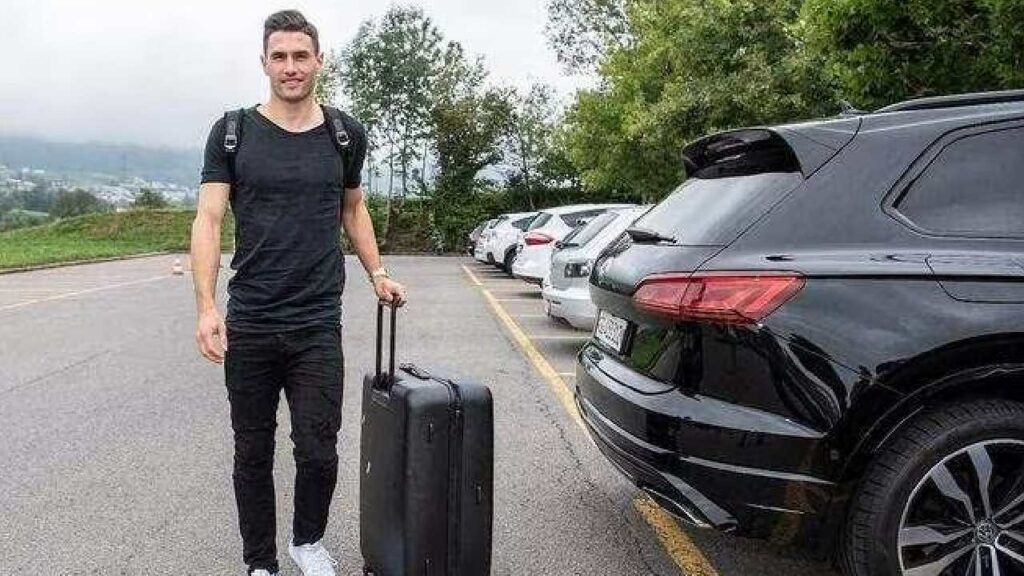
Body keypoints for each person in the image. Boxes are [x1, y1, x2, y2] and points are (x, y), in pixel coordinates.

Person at [189, 9, 406, 576]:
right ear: (264, 62)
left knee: (318, 448)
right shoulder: (233, 131)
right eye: (279, 56)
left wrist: (377, 273)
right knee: (252, 450)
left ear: (318, 60)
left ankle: (307, 542)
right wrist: (208, 306)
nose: (290, 67)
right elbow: (209, 219)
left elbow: (353, 209)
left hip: (316, 324)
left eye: (300, 56)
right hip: (252, 321)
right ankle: (260, 562)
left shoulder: (344, 134)